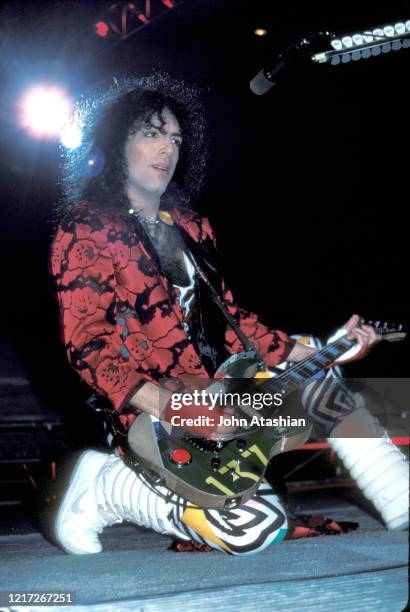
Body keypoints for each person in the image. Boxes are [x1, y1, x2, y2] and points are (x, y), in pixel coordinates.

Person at [50, 73, 408, 555]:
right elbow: (86, 345)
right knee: (252, 529)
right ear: (117, 143)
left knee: (315, 370)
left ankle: (399, 495)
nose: (168, 149)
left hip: (221, 393)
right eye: (152, 133)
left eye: (176, 138)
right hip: (150, 410)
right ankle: (103, 487)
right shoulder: (87, 226)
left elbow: (237, 324)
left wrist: (328, 349)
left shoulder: (194, 227)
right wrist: (176, 406)